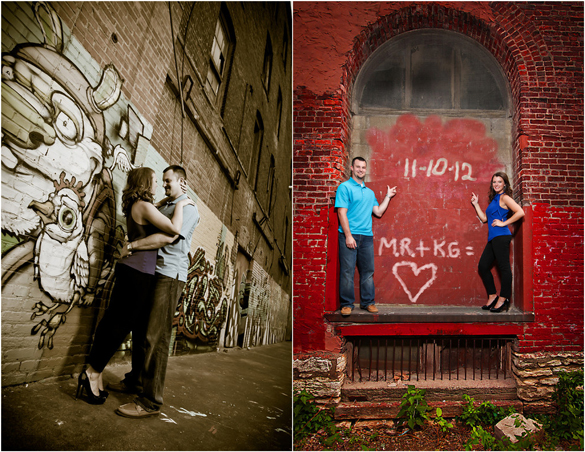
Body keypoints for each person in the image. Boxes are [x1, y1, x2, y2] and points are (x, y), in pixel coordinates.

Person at [76, 167, 194, 404]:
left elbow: (156, 213)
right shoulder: (145, 206)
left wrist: (171, 201)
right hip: (137, 271)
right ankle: (92, 372)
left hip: (134, 269)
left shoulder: (140, 205)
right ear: (144, 184)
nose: (158, 185)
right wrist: (180, 204)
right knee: (118, 325)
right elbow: (173, 230)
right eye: (155, 180)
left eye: (164, 181)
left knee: (114, 321)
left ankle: (94, 373)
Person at [114, 165, 200, 418]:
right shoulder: (165, 205)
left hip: (169, 276)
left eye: (168, 181)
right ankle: (135, 381)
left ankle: (151, 401)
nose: (164, 185)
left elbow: (169, 238)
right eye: (162, 181)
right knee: (141, 333)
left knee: (156, 337)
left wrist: (132, 245)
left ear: (181, 182)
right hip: (152, 273)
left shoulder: (190, 209)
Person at [335, 157, 397, 316]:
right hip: (349, 235)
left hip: (367, 237)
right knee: (347, 272)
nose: (361, 170)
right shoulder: (344, 187)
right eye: (358, 167)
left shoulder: (370, 193)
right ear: (352, 168)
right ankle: (347, 304)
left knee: (368, 271)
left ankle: (368, 302)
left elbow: (378, 212)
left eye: (363, 167)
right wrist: (348, 236)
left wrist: (388, 197)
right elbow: (342, 212)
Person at [470, 171, 524, 312]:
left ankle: (503, 298)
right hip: (493, 238)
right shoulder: (494, 200)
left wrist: (503, 222)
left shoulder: (504, 198)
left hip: (501, 236)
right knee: (483, 266)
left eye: (499, 182)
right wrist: (476, 204)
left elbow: (520, 212)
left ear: (504, 184)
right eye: (494, 182)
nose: (496, 184)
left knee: (504, 267)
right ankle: (493, 295)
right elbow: (484, 219)